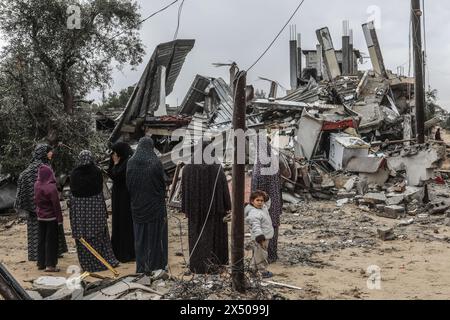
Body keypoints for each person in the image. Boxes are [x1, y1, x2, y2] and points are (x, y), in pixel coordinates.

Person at [181, 141, 232, 274]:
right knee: (214, 237)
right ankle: (215, 265)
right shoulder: (216, 167)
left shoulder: (187, 168)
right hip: (215, 211)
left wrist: (186, 209)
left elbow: (184, 191)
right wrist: (227, 206)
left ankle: (197, 266)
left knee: (197, 237)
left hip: (195, 212)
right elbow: (224, 188)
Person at [15, 144, 67, 262]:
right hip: (47, 208)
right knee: (51, 233)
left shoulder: (27, 170)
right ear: (43, 153)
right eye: (49, 151)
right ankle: (53, 254)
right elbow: (52, 186)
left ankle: (37, 257)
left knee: (36, 233)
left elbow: (23, 185)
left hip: (33, 208)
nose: (51, 153)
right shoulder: (45, 167)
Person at [69, 150, 119, 272]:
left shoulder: (74, 173)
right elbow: (98, 188)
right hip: (95, 208)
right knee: (98, 234)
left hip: (79, 210)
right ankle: (103, 261)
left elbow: (73, 191)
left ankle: (87, 264)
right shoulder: (96, 171)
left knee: (83, 236)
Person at [126, 137, 168, 274]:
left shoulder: (131, 163)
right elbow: (162, 184)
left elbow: (129, 185)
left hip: (137, 207)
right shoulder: (155, 162)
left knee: (140, 239)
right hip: (155, 207)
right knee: (155, 238)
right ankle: (156, 266)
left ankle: (141, 267)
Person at [251, 137, 282, 263]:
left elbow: (258, 188)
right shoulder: (273, 162)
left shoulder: (261, 165)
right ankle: (272, 255)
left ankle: (264, 257)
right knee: (272, 228)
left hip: (263, 204)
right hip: (274, 202)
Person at [107, 142, 135, 263]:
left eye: (115, 152)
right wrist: (114, 164)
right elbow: (111, 173)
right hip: (118, 196)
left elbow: (117, 175)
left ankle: (127, 252)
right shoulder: (118, 161)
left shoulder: (128, 162)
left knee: (126, 222)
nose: (113, 155)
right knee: (118, 221)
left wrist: (116, 164)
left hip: (125, 196)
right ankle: (117, 250)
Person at [34, 165, 63, 272]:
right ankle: (50, 265)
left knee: (41, 240)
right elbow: (56, 205)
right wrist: (60, 219)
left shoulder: (36, 185)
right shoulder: (51, 188)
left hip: (40, 217)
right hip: (51, 218)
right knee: (51, 241)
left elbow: (35, 200)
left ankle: (41, 263)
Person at [245, 190, 274, 279]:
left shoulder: (262, 208)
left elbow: (267, 204)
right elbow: (255, 226)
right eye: (257, 200)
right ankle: (263, 271)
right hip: (261, 238)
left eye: (261, 200)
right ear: (252, 201)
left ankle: (252, 270)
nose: (260, 202)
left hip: (265, 236)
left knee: (257, 255)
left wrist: (267, 197)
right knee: (262, 255)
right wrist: (260, 238)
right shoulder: (254, 213)